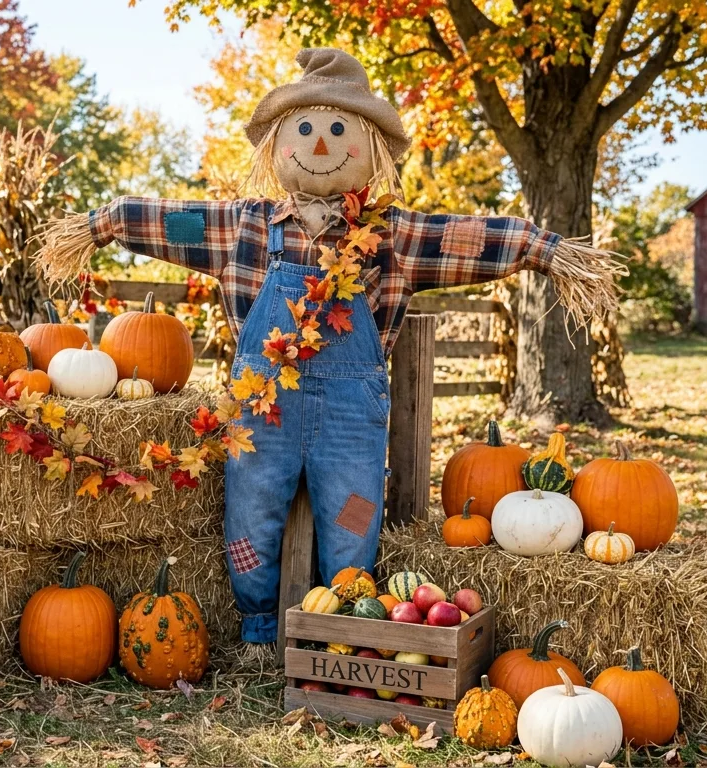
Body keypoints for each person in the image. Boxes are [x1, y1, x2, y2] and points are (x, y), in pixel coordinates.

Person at [36, 48, 622, 648]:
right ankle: (259, 627)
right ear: (277, 145)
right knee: (251, 512)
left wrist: (548, 251)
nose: (320, 143)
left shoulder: (392, 235)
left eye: (339, 131)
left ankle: (342, 625)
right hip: (262, 410)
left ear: (370, 148)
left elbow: (470, 238)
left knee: (354, 514)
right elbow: (168, 219)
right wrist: (102, 224)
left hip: (350, 416)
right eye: (306, 129)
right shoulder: (244, 226)